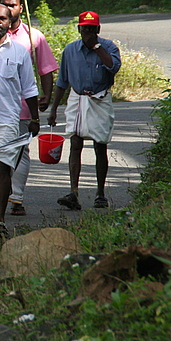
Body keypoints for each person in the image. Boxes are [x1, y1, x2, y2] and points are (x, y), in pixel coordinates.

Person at [0, 0, 58, 219]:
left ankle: (4, 211)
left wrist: (36, 114)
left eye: (6, 13)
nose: (0, 20)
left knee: (7, 164)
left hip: (12, 116)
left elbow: (34, 81)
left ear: (19, 9)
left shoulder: (28, 43)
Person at [0, 5, 40, 242]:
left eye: (3, 18)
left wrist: (34, 118)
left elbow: (29, 88)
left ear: (10, 21)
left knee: (3, 169)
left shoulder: (20, 52)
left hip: (8, 119)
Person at [48, 11, 121, 210]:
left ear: (98, 29)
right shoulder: (70, 50)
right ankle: (74, 192)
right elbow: (62, 81)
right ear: (79, 29)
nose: (87, 32)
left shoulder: (108, 47)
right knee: (75, 143)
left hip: (100, 98)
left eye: (91, 28)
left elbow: (113, 67)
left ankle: (100, 193)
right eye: (84, 28)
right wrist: (54, 109)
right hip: (77, 98)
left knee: (100, 145)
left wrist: (96, 47)